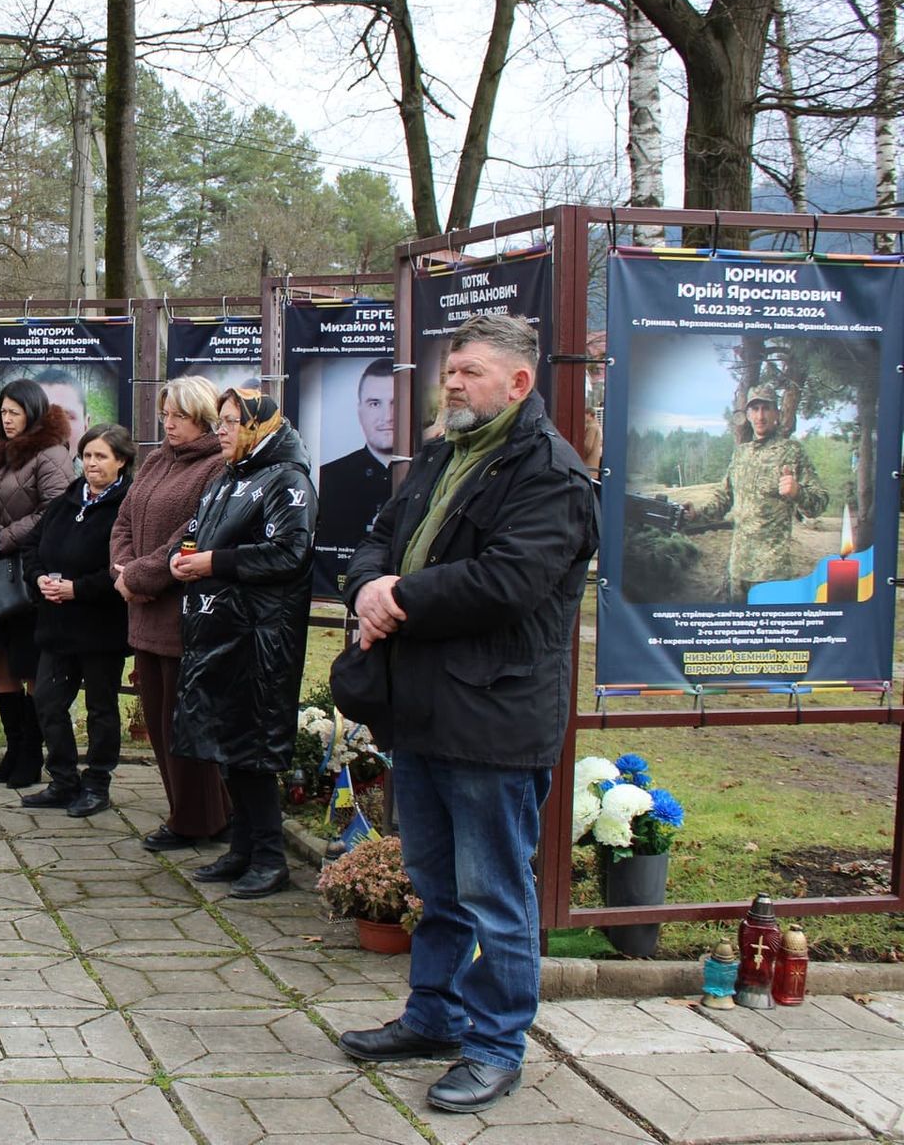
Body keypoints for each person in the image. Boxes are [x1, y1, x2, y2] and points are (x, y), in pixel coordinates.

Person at [337, 314, 597, 1114]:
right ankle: (434, 1017)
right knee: (435, 884)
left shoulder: (550, 473)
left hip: (493, 718)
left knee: (494, 894)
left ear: (518, 384)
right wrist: (370, 588)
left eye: (470, 372)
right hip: (421, 710)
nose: (451, 382)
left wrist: (398, 598)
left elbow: (508, 582)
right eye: (450, 370)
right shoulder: (445, 456)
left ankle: (495, 1047)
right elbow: (379, 537)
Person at [172, 389, 315, 901]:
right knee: (227, 742)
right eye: (221, 422)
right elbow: (199, 533)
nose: (222, 431)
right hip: (219, 632)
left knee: (253, 748)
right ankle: (242, 848)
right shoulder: (229, 477)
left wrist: (213, 563)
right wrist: (183, 558)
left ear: (259, 426)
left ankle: (271, 858)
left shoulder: (287, 479)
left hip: (261, 639)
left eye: (232, 422)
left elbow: (290, 552)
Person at [109, 375, 229, 851]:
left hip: (184, 615)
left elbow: (193, 532)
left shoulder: (218, 468)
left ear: (203, 417)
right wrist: (122, 569)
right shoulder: (158, 459)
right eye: (165, 414)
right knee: (159, 723)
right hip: (144, 613)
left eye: (178, 415)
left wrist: (138, 576)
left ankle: (198, 819)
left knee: (185, 723)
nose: (169, 423)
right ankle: (192, 810)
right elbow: (123, 518)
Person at [17, 424, 135, 817]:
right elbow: (32, 545)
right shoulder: (67, 499)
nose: (92, 464)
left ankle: (97, 783)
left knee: (101, 708)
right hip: (56, 623)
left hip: (101, 626)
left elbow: (123, 566)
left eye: (101, 456)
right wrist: (39, 579)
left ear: (121, 461)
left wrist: (78, 589)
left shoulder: (127, 505)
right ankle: (64, 779)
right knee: (48, 702)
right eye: (86, 455)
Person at [0, 378, 71, 789]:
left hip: (30, 572)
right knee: (2, 665)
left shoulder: (51, 454)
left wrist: (3, 537)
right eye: (3, 412)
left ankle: (32, 755)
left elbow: (54, 511)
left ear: (33, 411)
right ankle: (14, 751)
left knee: (29, 665)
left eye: (14, 412)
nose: (7, 420)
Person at [691, 383, 828, 602]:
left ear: (776, 413)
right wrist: (695, 513)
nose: (760, 415)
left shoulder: (792, 451)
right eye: (754, 409)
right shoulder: (741, 454)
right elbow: (723, 499)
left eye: (766, 408)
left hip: (772, 574)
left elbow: (819, 502)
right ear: (747, 414)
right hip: (737, 570)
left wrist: (797, 493)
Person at [313, 358, 396, 564]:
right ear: (360, 411)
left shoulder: (427, 472)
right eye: (375, 404)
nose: (387, 416)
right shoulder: (328, 478)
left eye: (396, 403)